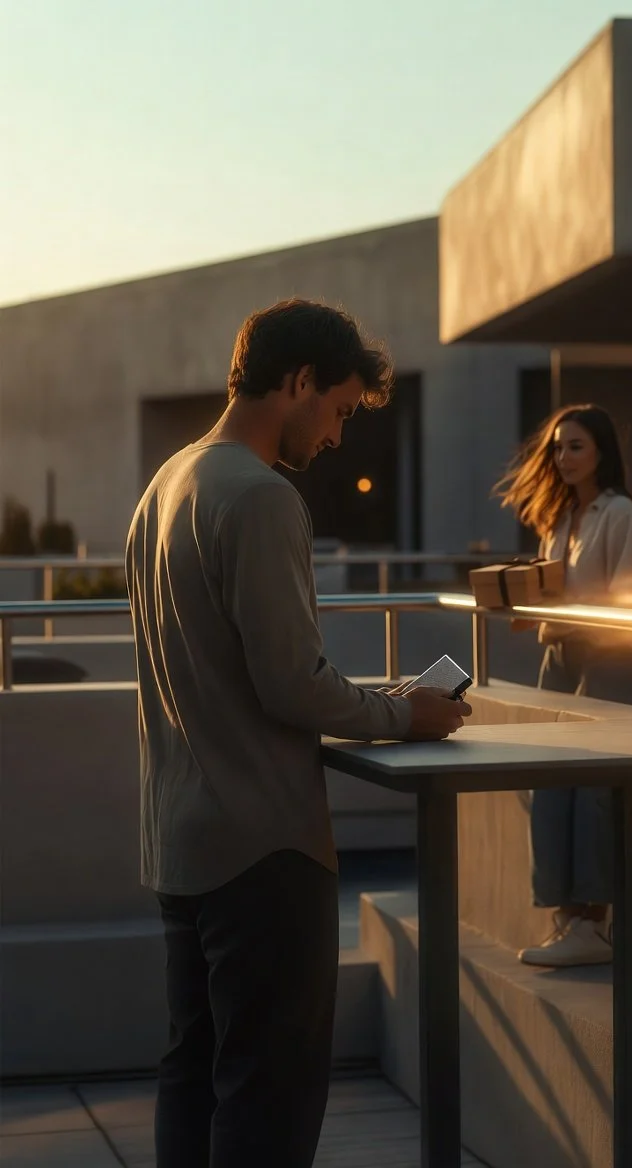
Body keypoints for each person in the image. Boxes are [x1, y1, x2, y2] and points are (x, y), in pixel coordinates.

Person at [125, 299, 472, 1168]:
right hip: (263, 852)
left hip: (181, 839)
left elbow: (244, 674)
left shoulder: (165, 487)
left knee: (194, 1076)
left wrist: (362, 695)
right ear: (300, 381)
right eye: (341, 409)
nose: (340, 435)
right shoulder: (260, 496)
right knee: (269, 1099)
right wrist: (406, 714)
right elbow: (287, 686)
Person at [495, 404, 632, 968]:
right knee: (550, 789)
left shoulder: (620, 515)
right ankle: (566, 917)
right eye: (559, 447)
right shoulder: (560, 519)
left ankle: (594, 922)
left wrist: (566, 607)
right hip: (557, 658)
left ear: (602, 453)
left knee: (593, 794)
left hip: (606, 660)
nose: (563, 457)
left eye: (576, 446)